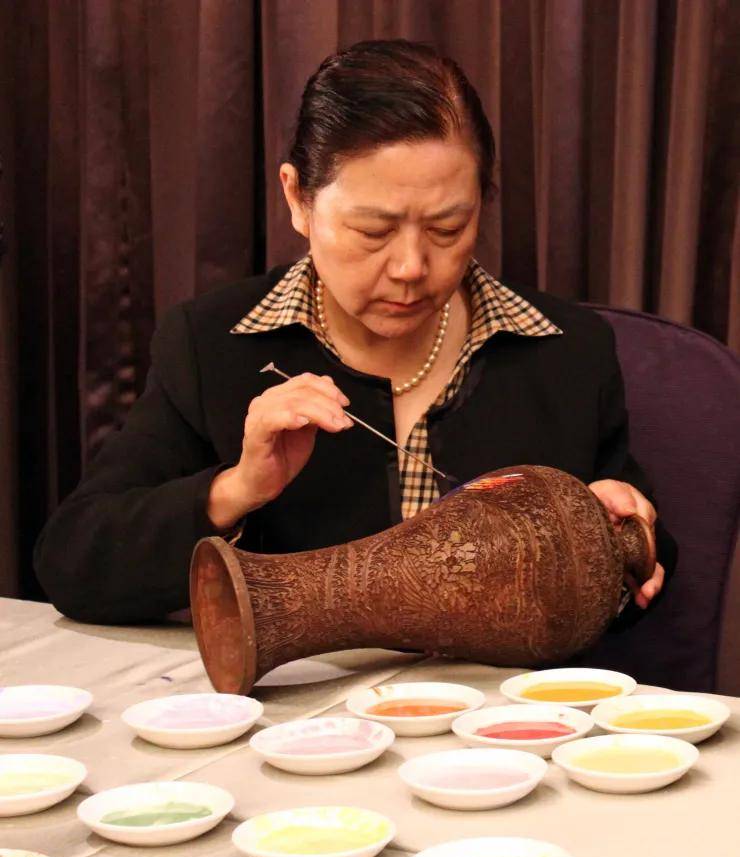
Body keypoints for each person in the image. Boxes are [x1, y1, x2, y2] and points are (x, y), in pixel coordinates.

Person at [34, 39, 676, 625]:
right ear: (297, 199)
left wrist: (616, 538)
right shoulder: (214, 345)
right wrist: (238, 488)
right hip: (297, 709)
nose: (411, 267)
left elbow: (645, 561)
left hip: (504, 710)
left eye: (449, 228)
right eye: (373, 230)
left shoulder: (565, 350)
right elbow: (76, 561)